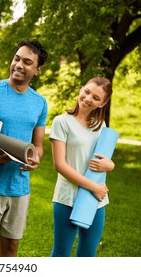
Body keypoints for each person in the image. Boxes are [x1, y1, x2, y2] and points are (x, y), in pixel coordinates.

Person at [0, 39, 49, 257]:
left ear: (37, 69)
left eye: (27, 62)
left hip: (19, 188)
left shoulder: (40, 102)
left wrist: (35, 158)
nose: (18, 65)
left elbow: (38, 146)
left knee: (11, 248)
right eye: (17, 59)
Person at [49, 77, 114, 257]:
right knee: (61, 254)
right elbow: (60, 165)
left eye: (95, 97)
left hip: (95, 201)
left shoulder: (101, 126)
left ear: (103, 103)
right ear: (81, 89)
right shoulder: (61, 122)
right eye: (86, 92)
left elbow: (103, 160)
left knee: (88, 254)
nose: (87, 99)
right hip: (68, 197)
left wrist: (111, 165)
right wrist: (93, 187)